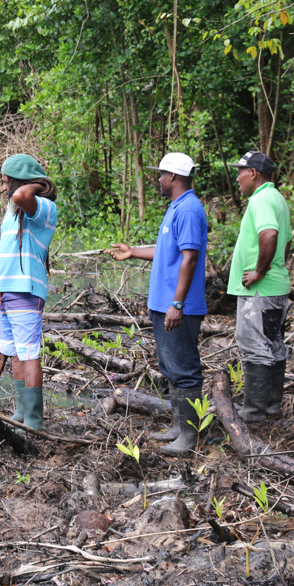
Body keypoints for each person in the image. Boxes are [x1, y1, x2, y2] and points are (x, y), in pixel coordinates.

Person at [109, 152, 208, 455]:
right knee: (171, 366)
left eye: (162, 175)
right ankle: (179, 427)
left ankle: (189, 437)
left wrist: (177, 303)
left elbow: (189, 258)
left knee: (185, 368)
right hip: (165, 303)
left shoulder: (189, 209)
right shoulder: (176, 208)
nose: (158, 179)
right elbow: (169, 251)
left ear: (174, 177)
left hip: (179, 305)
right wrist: (133, 252)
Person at [0, 154, 58, 431]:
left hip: (25, 291)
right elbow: (17, 197)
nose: (5, 188)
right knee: (16, 353)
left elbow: (22, 196)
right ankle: (21, 411)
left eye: (8, 182)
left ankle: (34, 419)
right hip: (6, 290)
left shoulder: (42, 207)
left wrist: (40, 186)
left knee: (29, 353)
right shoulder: (13, 213)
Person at [227, 151, 291, 422]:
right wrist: (276, 268)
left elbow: (271, 234)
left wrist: (259, 271)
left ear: (253, 173)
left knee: (254, 346)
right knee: (273, 345)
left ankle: (253, 412)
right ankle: (271, 408)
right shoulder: (276, 198)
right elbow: (287, 242)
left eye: (240, 172)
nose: (238, 178)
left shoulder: (261, 199)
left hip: (260, 291)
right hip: (275, 288)